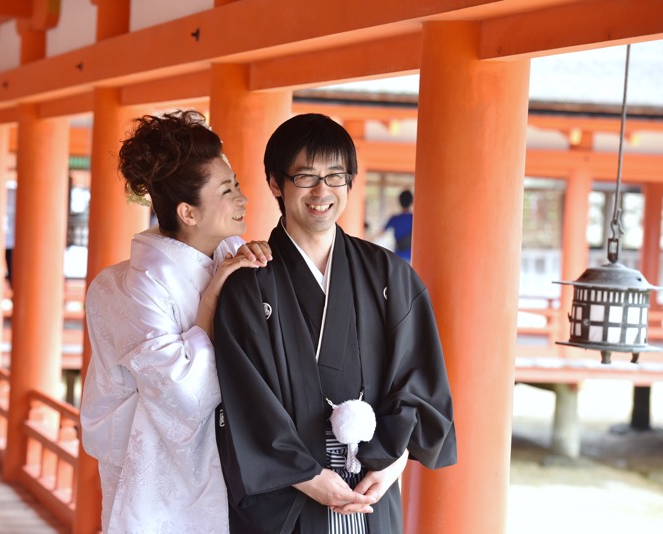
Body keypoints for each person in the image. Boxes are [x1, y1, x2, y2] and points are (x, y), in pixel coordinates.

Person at [213, 113, 456, 533]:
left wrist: (394, 464)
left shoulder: (389, 276)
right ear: (275, 182)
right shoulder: (249, 283)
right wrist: (310, 477)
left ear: (350, 181)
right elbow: (242, 401)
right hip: (286, 500)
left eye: (336, 176)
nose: (322, 192)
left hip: (369, 491)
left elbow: (421, 384)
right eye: (305, 177)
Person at [79, 110, 272, 533]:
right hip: (154, 470)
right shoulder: (135, 289)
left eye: (236, 184)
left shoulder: (229, 254)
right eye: (227, 191)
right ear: (188, 212)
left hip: (230, 464)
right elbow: (185, 395)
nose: (243, 199)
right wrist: (213, 296)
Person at [383, 189, 413, 262]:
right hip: (412, 256)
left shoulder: (394, 218)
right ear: (411, 202)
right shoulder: (414, 218)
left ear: (399, 202)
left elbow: (381, 233)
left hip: (397, 257)